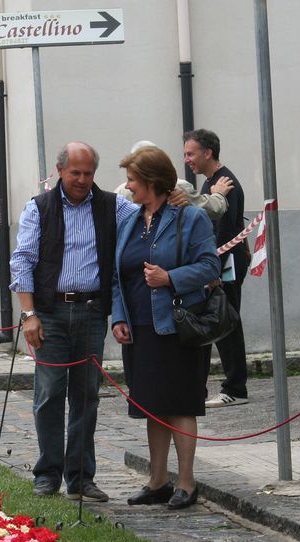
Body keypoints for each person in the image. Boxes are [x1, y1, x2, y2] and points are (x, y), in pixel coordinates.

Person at [9, 141, 139, 502]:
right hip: (49, 313)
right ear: (60, 170)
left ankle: (81, 477)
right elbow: (22, 261)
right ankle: (47, 474)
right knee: (49, 393)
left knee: (86, 396)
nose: (82, 180)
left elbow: (149, 212)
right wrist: (29, 315)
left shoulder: (112, 206)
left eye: (88, 173)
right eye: (75, 173)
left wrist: (177, 197)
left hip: (92, 312)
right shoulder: (39, 208)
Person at [111, 146, 220, 510]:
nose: (128, 187)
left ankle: (186, 482)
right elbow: (117, 276)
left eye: (132, 180)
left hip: (177, 327)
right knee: (152, 406)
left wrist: (169, 277)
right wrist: (119, 317)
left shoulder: (190, 218)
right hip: (139, 329)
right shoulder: (129, 221)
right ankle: (157, 481)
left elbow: (210, 267)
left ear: (152, 181)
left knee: (180, 404)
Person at [183, 129, 249, 408]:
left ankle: (235, 388)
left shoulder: (225, 182)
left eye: (191, 153)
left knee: (226, 321)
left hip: (225, 263)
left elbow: (224, 231)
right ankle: (200, 386)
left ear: (207, 152)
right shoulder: (211, 183)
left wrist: (212, 271)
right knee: (212, 322)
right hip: (215, 263)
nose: (187, 159)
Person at [113, 140, 232, 219]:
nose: (128, 186)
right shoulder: (179, 188)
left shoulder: (120, 193)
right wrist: (219, 195)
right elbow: (214, 209)